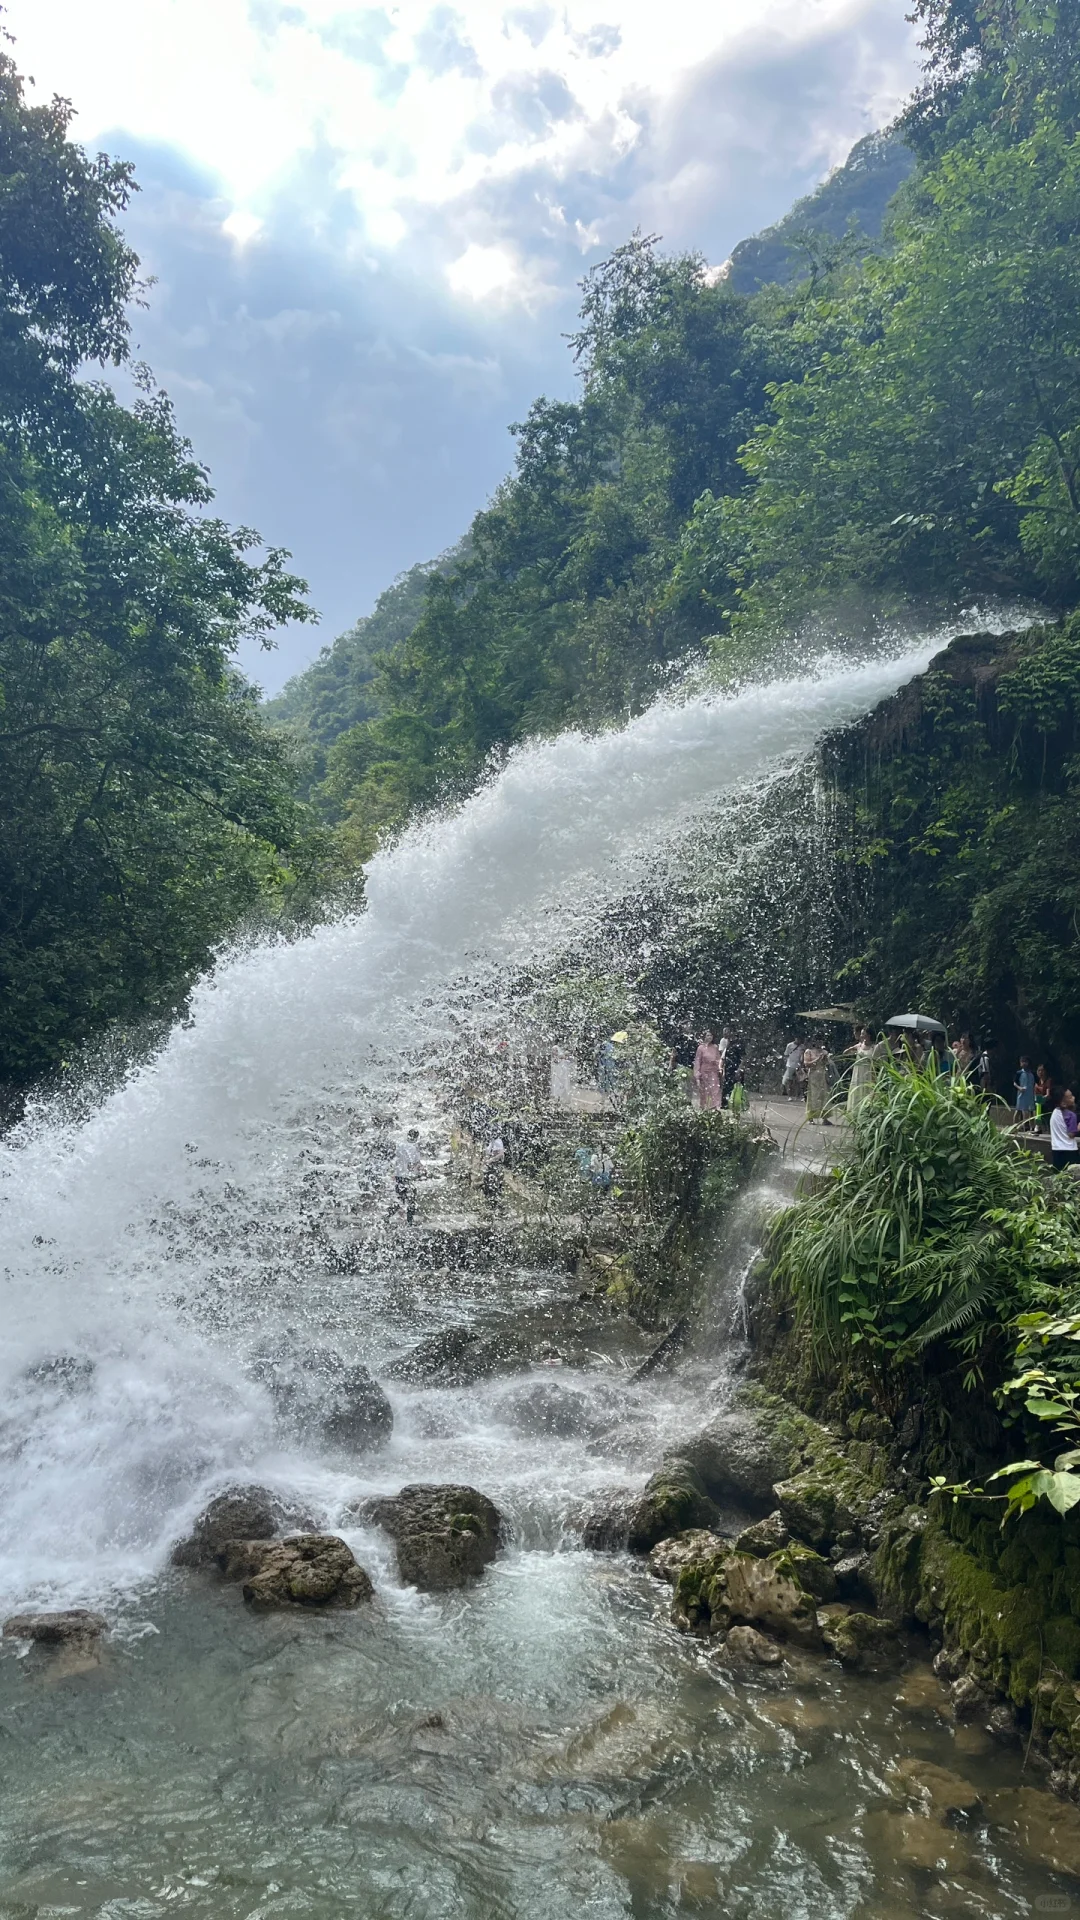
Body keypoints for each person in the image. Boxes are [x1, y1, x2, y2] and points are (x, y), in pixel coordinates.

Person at [394, 1128, 423, 1224]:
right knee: (411, 1198)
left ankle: (388, 1215)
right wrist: (421, 1172)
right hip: (407, 1177)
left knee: (401, 1198)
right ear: (416, 1138)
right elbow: (415, 1164)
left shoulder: (400, 1145)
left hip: (398, 1175)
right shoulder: (413, 1148)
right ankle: (410, 1220)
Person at [845, 1027, 876, 1115]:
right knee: (857, 1091)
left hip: (868, 1073)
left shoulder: (874, 1047)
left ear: (868, 1035)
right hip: (858, 1073)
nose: (861, 1035)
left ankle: (866, 1112)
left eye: (863, 1033)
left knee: (867, 1091)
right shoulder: (859, 1046)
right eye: (861, 1034)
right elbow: (845, 1053)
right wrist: (851, 1049)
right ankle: (855, 1113)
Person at [693, 1029, 724, 1111]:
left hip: (713, 1072)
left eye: (711, 1035)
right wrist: (697, 1074)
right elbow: (697, 1061)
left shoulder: (715, 1047)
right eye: (708, 1035)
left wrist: (720, 1068)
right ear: (704, 1037)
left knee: (715, 1090)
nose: (710, 1037)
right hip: (704, 1073)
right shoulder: (700, 1048)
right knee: (705, 1091)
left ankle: (714, 1109)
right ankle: (705, 1108)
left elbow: (718, 1059)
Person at [1049, 1091, 1079, 1172]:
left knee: (1058, 1177)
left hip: (1056, 1149)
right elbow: (1071, 1134)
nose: (1073, 1097)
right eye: (1070, 1097)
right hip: (1070, 1150)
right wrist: (1078, 1127)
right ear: (1063, 1103)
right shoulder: (1071, 1115)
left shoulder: (1055, 1112)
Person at [803, 1041, 831, 1123]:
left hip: (822, 1075)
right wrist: (817, 1059)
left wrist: (825, 1059)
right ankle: (810, 1117)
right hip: (813, 1076)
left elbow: (827, 1064)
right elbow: (806, 1064)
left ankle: (825, 1118)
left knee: (823, 1096)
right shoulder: (809, 1052)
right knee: (813, 1096)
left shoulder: (824, 1052)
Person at [482, 1134, 506, 1204]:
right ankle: (488, 1202)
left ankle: (495, 1204)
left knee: (495, 1185)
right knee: (487, 1185)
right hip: (489, 1167)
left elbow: (501, 1154)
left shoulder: (498, 1141)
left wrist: (490, 1160)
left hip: (495, 1166)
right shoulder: (491, 1142)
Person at [1014, 1056, 1036, 1126]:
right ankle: (1014, 1126)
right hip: (1021, 1095)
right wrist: (1019, 1088)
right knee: (1018, 1110)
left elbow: (1034, 1084)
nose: (1024, 1063)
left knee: (1031, 1111)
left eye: (1025, 1062)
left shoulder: (1032, 1073)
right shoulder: (1019, 1073)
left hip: (1030, 1095)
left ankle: (1031, 1127)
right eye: (1022, 1062)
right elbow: (1014, 1083)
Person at [1035, 1064, 1053, 1131]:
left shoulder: (1048, 1081)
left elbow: (1048, 1095)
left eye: (1042, 1070)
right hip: (1039, 1104)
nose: (1040, 1072)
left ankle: (1039, 1127)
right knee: (1036, 1107)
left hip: (1048, 1103)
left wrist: (1041, 1100)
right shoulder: (1037, 1082)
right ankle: (1037, 1127)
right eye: (1039, 1070)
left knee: (1039, 1106)